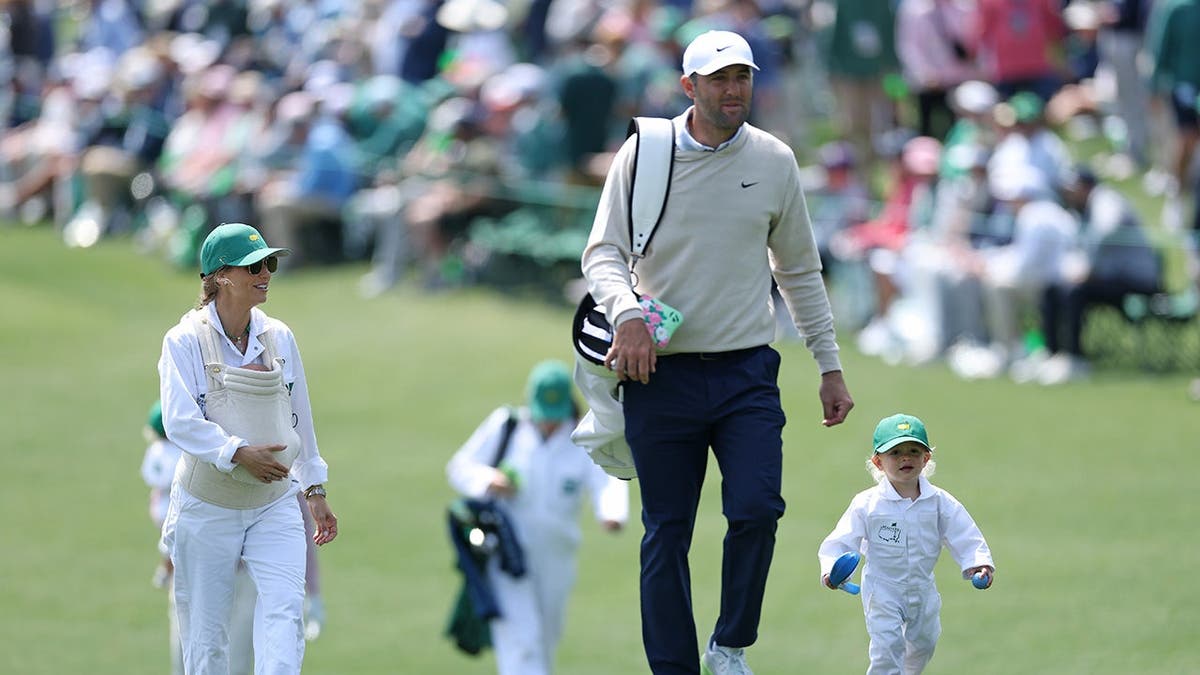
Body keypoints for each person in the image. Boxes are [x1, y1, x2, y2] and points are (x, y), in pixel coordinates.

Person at [580, 30, 855, 675]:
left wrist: (829, 364)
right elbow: (602, 253)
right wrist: (626, 313)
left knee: (757, 509)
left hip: (746, 370)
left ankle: (729, 645)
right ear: (689, 86)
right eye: (719, 79)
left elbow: (799, 270)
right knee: (666, 531)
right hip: (659, 372)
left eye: (742, 77)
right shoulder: (643, 153)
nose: (734, 90)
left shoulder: (775, 159)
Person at [157, 222, 338, 674]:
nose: (266, 273)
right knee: (206, 642)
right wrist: (238, 453)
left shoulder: (280, 336)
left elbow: (298, 416)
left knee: (285, 614)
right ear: (221, 276)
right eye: (254, 266)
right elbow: (180, 421)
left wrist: (314, 488)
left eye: (269, 263)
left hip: (274, 502)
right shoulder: (183, 341)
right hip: (207, 506)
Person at [446, 360, 629, 675]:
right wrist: (489, 480)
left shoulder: (584, 437)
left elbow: (606, 480)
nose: (548, 424)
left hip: (558, 555)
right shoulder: (507, 425)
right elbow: (459, 467)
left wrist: (612, 513)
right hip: (508, 553)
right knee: (523, 640)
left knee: (545, 637)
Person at [818, 413, 994, 675]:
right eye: (895, 452)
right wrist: (832, 571)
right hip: (883, 589)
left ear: (926, 458)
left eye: (914, 451)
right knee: (887, 647)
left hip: (923, 587)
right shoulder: (867, 504)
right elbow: (842, 539)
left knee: (924, 643)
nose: (905, 458)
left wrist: (979, 563)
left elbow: (964, 534)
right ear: (878, 462)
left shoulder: (940, 502)